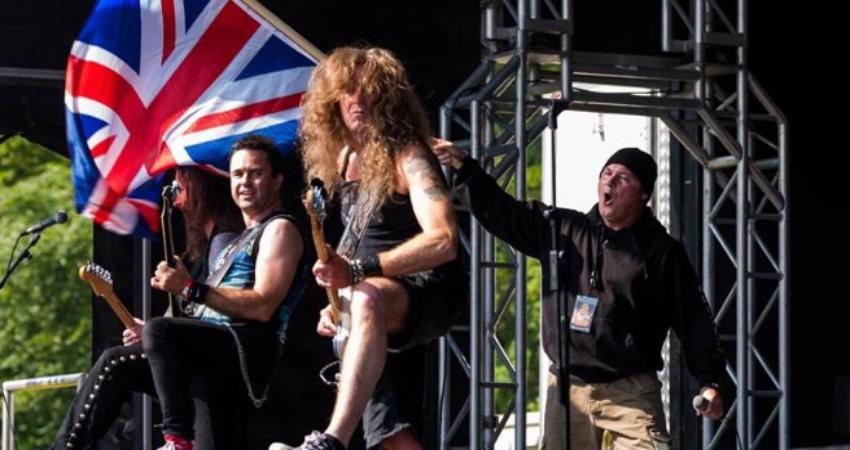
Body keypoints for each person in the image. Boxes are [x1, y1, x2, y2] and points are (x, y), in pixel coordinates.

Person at [433, 142, 725, 450]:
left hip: (630, 390)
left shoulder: (662, 251)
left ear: (644, 194)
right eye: (607, 173)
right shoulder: (563, 229)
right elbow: (505, 213)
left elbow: (694, 319)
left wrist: (710, 381)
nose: (610, 181)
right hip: (567, 388)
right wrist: (466, 169)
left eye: (623, 177)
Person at [292, 46, 466, 450]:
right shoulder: (344, 159)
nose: (359, 99)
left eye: (370, 89)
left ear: (388, 98)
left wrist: (357, 275)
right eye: (348, 89)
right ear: (333, 99)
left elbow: (444, 240)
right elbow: (361, 241)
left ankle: (332, 440)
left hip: (424, 289)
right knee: (391, 432)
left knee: (367, 298)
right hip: (372, 297)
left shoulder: (409, 155)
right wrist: (339, 303)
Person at [51, 166, 243, 450]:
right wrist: (150, 333)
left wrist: (182, 295)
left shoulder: (223, 241)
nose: (176, 203)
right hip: (201, 357)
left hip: (215, 361)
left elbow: (217, 312)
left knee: (114, 362)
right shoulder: (210, 247)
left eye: (180, 190)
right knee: (121, 359)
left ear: (202, 190)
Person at [145, 135, 306, 450]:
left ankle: (176, 439)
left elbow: (262, 306)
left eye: (255, 173)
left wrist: (189, 288)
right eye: (237, 174)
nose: (245, 181)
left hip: (247, 350)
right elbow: (209, 305)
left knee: (160, 331)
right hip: (216, 347)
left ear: (277, 180)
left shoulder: (280, 228)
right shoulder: (237, 239)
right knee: (117, 361)